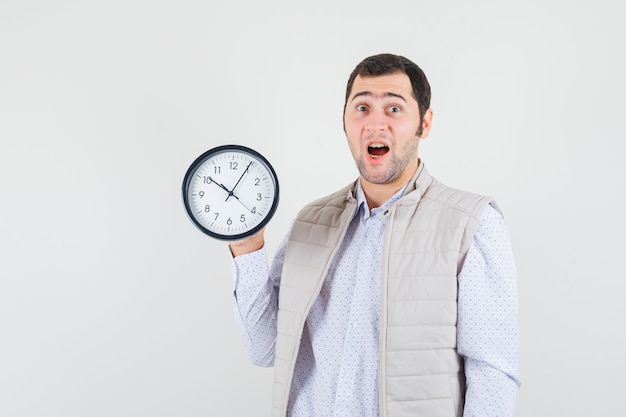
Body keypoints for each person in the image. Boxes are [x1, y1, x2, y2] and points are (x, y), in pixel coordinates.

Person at [228, 53, 520, 417]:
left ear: (424, 124)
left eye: (394, 109)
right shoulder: (309, 223)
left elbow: (493, 373)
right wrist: (247, 246)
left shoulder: (472, 223)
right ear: (346, 122)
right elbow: (264, 348)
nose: (375, 123)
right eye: (362, 107)